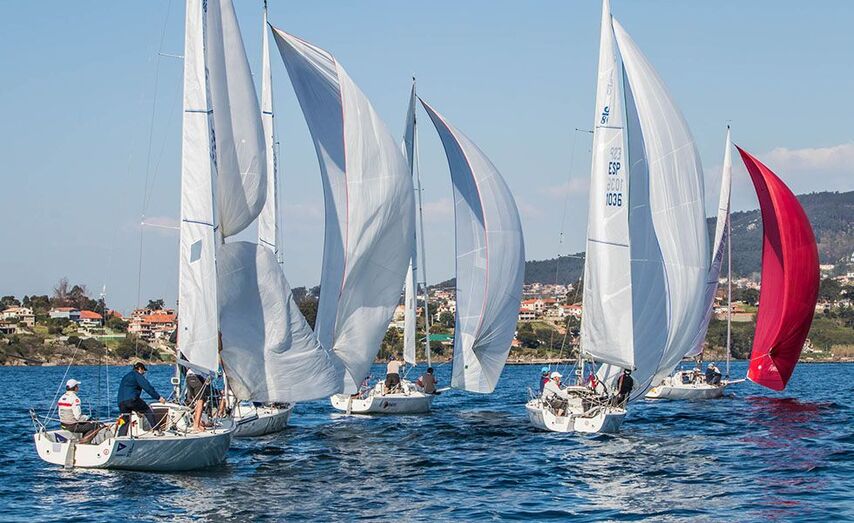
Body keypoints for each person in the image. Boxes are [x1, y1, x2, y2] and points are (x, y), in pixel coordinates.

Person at [117, 362, 165, 432]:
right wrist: (158, 397)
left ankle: (121, 436)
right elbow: (148, 387)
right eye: (143, 370)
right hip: (132, 400)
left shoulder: (126, 376)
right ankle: (156, 430)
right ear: (139, 369)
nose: (144, 373)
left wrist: (136, 410)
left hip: (121, 402)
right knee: (148, 411)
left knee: (125, 420)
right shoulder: (137, 375)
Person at [58, 379, 102, 444]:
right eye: (77, 386)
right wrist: (87, 417)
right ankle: (84, 442)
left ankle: (84, 440)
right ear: (75, 388)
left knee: (87, 425)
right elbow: (77, 417)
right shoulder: (75, 399)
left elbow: (59, 414)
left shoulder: (61, 398)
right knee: (96, 425)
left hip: (63, 425)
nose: (78, 387)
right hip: (72, 426)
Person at [185, 368, 209, 432]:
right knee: (200, 402)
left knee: (197, 402)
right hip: (197, 377)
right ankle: (196, 426)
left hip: (188, 377)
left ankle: (197, 423)